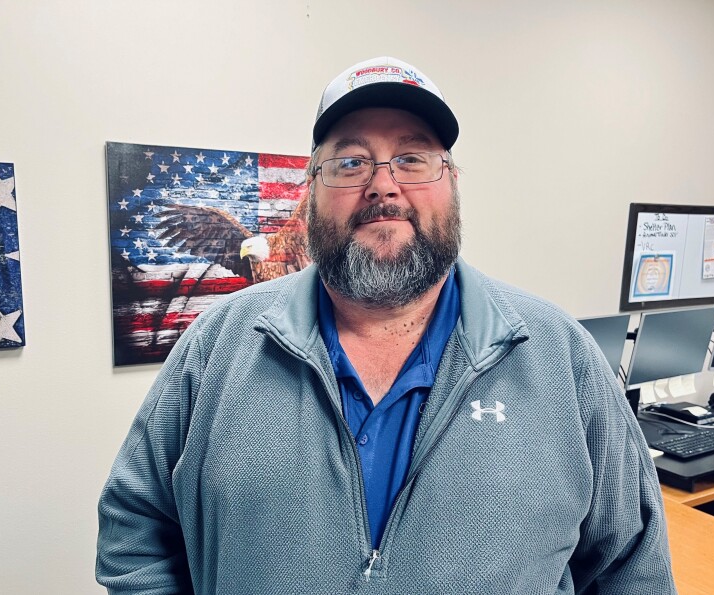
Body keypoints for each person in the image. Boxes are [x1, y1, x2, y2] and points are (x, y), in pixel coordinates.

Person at [97, 56, 677, 594]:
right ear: (312, 192)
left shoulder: (559, 355)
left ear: (451, 181)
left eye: (413, 158)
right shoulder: (218, 345)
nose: (382, 184)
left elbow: (634, 565)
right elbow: (135, 526)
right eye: (350, 162)